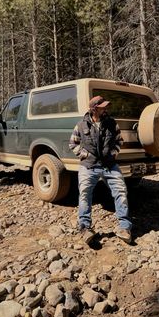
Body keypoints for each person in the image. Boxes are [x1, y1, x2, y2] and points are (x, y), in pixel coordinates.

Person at [69, 95, 132, 244]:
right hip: (89, 166)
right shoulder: (81, 125)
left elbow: (119, 141)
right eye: (103, 107)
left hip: (109, 165)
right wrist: (85, 155)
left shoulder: (112, 123)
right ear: (94, 109)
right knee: (84, 193)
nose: (106, 109)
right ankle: (85, 227)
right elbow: (72, 144)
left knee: (121, 191)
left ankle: (125, 227)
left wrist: (113, 153)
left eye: (106, 106)